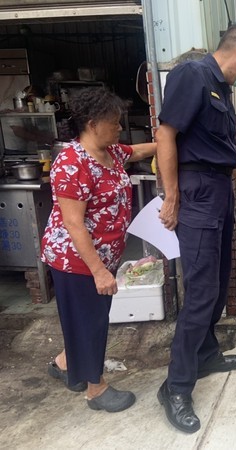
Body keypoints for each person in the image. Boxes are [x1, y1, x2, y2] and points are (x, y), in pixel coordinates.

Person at [155, 23, 236, 433]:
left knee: (218, 284)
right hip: (197, 191)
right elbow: (165, 134)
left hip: (219, 189)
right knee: (200, 292)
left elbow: (228, 152)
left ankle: (205, 353)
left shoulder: (222, 90)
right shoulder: (193, 76)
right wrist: (171, 195)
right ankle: (176, 386)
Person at [40, 87, 157, 412]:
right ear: (92, 124)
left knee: (83, 320)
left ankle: (64, 364)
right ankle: (96, 389)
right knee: (91, 323)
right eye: (114, 123)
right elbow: (74, 224)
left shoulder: (109, 152)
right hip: (76, 261)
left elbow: (134, 151)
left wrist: (166, 143)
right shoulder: (72, 163)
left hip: (99, 257)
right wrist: (99, 271)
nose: (119, 128)